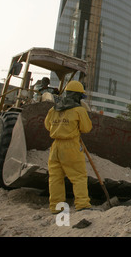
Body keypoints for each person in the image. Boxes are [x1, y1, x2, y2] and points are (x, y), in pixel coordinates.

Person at [44, 80, 93, 213]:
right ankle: (82, 204)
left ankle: (56, 207)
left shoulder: (53, 109)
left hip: (55, 147)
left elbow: (48, 126)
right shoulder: (79, 110)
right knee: (78, 176)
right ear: (77, 96)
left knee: (55, 177)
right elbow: (86, 128)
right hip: (70, 146)